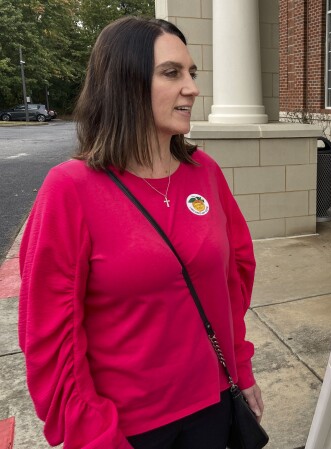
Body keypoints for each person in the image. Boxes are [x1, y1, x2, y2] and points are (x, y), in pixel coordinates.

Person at [18, 16, 263, 449]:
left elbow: (231, 283)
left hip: (213, 406)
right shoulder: (70, 188)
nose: (192, 87)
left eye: (191, 73)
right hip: (128, 430)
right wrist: (92, 432)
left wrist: (239, 370)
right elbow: (50, 332)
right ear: (124, 84)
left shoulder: (204, 172)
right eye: (172, 73)